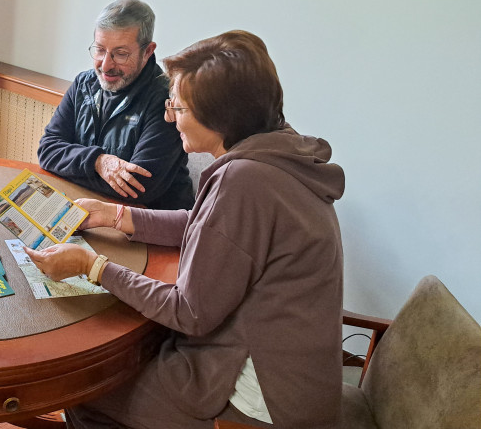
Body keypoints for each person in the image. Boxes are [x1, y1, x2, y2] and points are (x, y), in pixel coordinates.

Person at [26, 30, 345, 428]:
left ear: (220, 117)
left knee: (84, 391)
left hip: (257, 397)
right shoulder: (275, 148)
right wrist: (115, 216)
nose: (168, 116)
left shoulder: (247, 181)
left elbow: (189, 312)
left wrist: (94, 267)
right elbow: (206, 224)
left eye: (178, 107)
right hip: (296, 370)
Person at [37, 0, 193, 210]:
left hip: (151, 226)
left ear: (147, 51)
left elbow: (138, 188)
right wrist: (97, 162)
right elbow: (47, 151)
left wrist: (69, 166)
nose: (106, 65)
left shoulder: (166, 98)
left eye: (120, 54)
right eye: (100, 50)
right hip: (89, 209)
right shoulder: (83, 83)